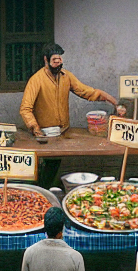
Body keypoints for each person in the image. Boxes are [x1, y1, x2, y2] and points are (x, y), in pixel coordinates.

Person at [19, 43, 125, 187]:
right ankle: (43, 189)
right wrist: (35, 129)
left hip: (63, 131)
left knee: (56, 165)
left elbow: (88, 92)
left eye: (60, 60)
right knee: (48, 166)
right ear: (46, 60)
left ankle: (51, 187)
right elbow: (25, 109)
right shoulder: (36, 80)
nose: (58, 63)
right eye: (54, 61)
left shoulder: (66, 77)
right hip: (45, 133)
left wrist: (115, 103)